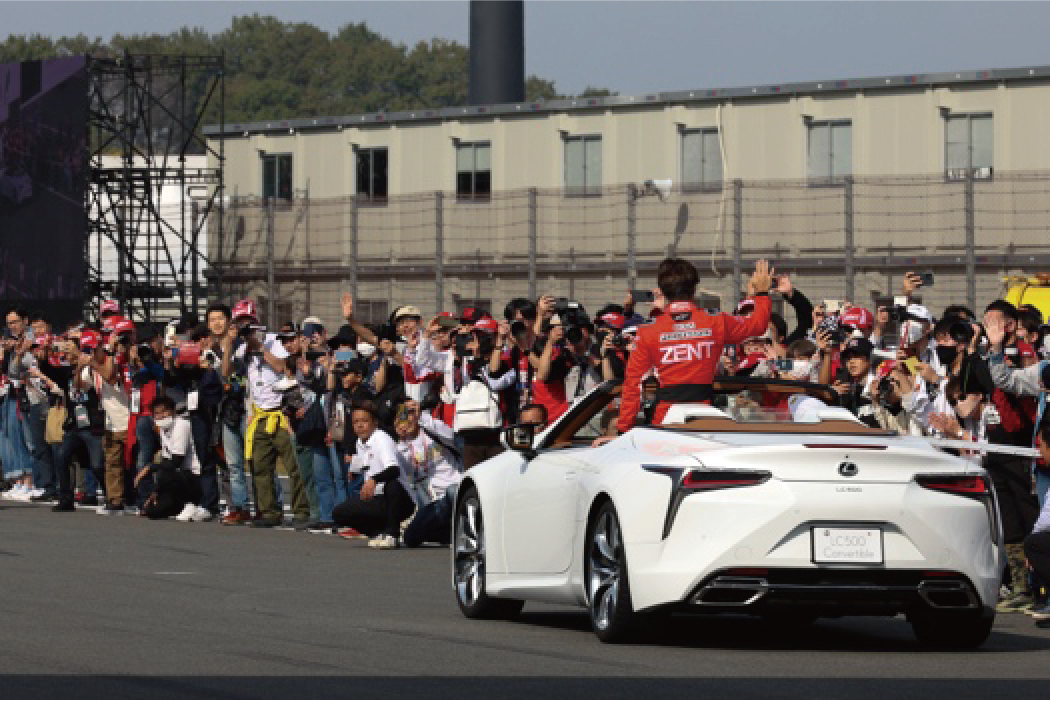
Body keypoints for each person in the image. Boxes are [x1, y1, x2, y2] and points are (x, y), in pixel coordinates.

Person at [602, 257, 774, 441]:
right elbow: (758, 325)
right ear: (694, 289)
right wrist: (762, 293)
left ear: (663, 292)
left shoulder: (648, 330)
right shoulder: (716, 320)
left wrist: (623, 432)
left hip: (665, 421)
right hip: (706, 417)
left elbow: (633, 385)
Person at [241, 329, 310, 528]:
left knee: (293, 467)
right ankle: (269, 511)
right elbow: (230, 372)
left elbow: (281, 367)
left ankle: (301, 511)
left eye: (250, 328)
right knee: (260, 467)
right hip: (260, 415)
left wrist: (261, 347)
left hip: (282, 415)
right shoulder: (244, 350)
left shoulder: (274, 344)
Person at [332, 401, 414, 549]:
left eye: (364, 421)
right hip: (378, 499)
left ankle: (392, 535)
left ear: (375, 423)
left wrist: (373, 480)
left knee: (392, 484)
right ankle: (378, 533)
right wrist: (355, 468)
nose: (360, 425)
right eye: (356, 422)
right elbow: (369, 461)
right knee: (339, 513)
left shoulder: (381, 438)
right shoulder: (360, 442)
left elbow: (394, 469)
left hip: (401, 501)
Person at [51, 331, 106, 512]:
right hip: (74, 423)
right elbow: (56, 374)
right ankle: (66, 498)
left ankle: (110, 495)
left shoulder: (91, 367)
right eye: (65, 350)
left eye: (70, 349)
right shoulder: (68, 370)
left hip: (92, 423)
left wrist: (83, 366)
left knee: (97, 464)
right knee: (62, 456)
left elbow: (81, 385)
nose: (66, 353)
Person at [396, 401, 463, 548]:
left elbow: (451, 435)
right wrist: (401, 440)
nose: (409, 418)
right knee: (410, 538)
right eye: (404, 414)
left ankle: (455, 530)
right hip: (432, 502)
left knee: (453, 492)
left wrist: (422, 417)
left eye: (411, 412)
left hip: (453, 492)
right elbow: (403, 470)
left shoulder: (432, 430)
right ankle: (449, 533)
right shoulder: (404, 445)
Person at [133, 397, 203, 521]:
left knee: (165, 473)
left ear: (173, 412)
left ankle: (191, 503)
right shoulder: (163, 430)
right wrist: (156, 491)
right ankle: (177, 506)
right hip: (176, 479)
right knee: (152, 511)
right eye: (157, 413)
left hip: (192, 476)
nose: (161, 416)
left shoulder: (181, 425)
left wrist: (149, 468)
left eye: (164, 411)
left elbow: (176, 461)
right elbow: (165, 460)